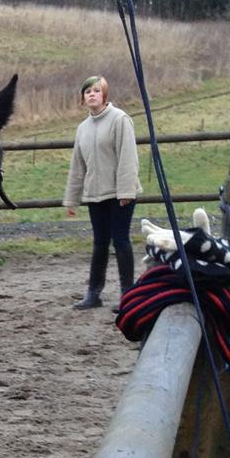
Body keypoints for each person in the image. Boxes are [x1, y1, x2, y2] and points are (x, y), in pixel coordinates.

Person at [64, 74, 142, 309]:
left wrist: (126, 191)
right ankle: (93, 293)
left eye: (96, 90)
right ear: (83, 98)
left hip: (119, 194)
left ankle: (128, 295)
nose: (91, 94)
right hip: (94, 195)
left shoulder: (120, 120)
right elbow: (78, 165)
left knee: (120, 241)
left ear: (104, 95)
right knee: (99, 244)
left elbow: (128, 157)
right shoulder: (82, 129)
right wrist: (72, 199)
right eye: (87, 91)